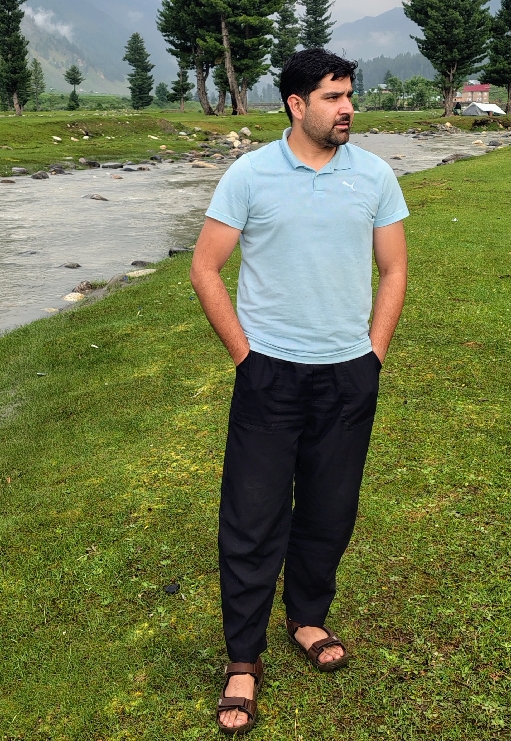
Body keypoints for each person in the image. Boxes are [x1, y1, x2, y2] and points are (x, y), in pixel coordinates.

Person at [190, 49, 409, 734]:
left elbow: (395, 269)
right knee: (253, 517)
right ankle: (242, 659)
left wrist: (372, 355)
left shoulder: (373, 174)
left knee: (328, 510)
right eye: (332, 97)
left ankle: (308, 618)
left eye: (349, 96)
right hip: (271, 375)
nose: (346, 108)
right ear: (295, 103)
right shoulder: (250, 175)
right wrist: (245, 358)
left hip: (347, 374)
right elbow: (205, 267)